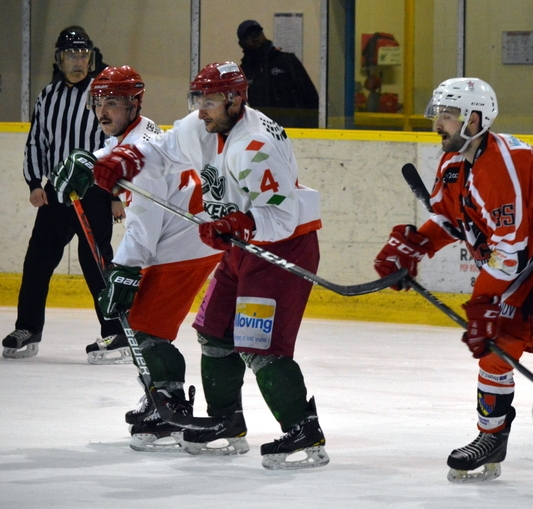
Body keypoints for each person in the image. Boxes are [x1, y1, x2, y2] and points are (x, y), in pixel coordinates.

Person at [374, 78, 533, 497]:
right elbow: (452, 219)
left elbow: (509, 252)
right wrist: (418, 245)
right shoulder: (454, 161)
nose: (438, 124)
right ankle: (491, 438)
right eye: (438, 115)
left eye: (447, 116)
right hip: (530, 262)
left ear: (474, 119)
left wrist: (484, 301)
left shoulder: (502, 164)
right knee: (496, 351)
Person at [90, 62, 329, 469]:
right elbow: (163, 150)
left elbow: (283, 214)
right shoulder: (207, 124)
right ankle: (225, 421)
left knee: (259, 346)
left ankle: (302, 430)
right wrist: (125, 156)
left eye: (211, 101)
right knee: (214, 334)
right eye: (197, 100)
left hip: (282, 248)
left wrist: (240, 221)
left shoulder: (254, 146)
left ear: (236, 100)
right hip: (240, 243)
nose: (201, 110)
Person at [50, 65, 223, 451]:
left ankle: (170, 406)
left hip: (183, 243)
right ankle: (160, 398)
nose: (102, 111)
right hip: (180, 239)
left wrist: (125, 271)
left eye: (112, 102)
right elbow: (112, 155)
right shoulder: (135, 135)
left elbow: (144, 226)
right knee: (143, 325)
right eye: (98, 102)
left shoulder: (140, 155)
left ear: (134, 104)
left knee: (145, 327)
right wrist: (88, 163)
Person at [2, 27, 126, 362]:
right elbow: (36, 141)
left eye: (83, 54)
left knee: (96, 261)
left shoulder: (103, 96)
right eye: (71, 54)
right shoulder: (47, 96)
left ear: (92, 57)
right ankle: (28, 327)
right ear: (59, 58)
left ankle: (115, 332)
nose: (78, 61)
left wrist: (115, 192)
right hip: (57, 192)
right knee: (38, 259)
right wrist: (34, 183)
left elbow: (116, 145)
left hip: (95, 191)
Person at [237, 19, 319, 128]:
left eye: (257, 33)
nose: (255, 38)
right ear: (242, 44)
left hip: (294, 128)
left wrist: (310, 125)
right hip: (262, 129)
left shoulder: (287, 61)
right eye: (249, 37)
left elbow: (310, 95)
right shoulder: (244, 71)